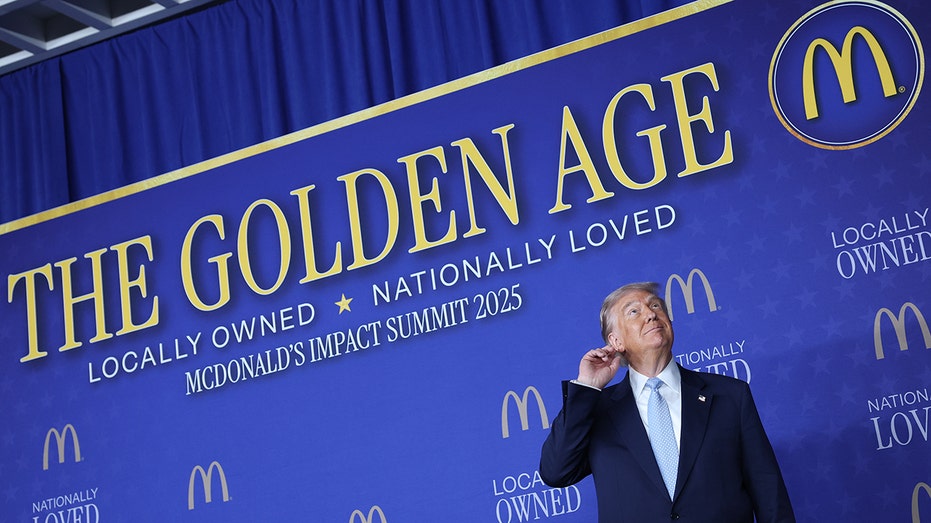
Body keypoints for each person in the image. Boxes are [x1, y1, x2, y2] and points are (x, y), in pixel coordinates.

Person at [539, 282, 795, 522]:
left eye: (655, 306)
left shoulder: (730, 396)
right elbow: (556, 471)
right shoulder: (596, 411)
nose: (650, 314)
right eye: (634, 311)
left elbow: (768, 492)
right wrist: (587, 387)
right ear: (615, 342)